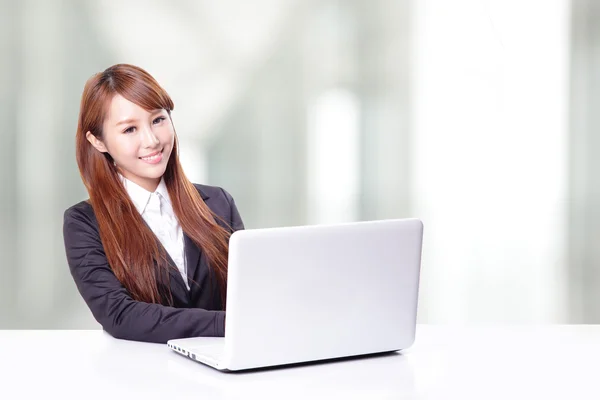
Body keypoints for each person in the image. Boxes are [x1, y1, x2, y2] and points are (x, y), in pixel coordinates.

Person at [62, 64, 244, 343]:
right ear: (98, 141)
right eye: (130, 129)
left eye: (158, 120)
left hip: (223, 370)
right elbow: (119, 314)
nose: (152, 141)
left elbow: (248, 295)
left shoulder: (218, 203)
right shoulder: (85, 222)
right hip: (141, 378)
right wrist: (227, 323)